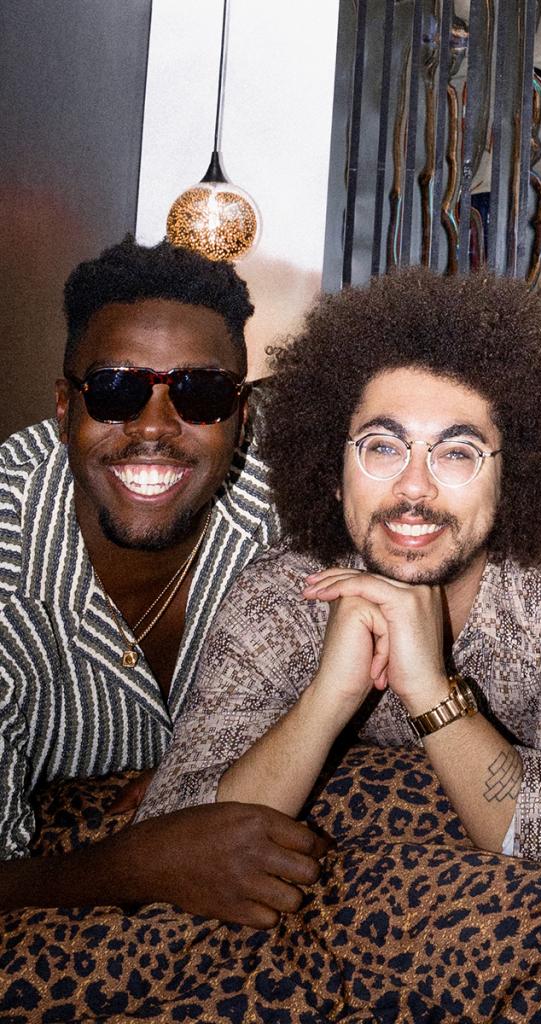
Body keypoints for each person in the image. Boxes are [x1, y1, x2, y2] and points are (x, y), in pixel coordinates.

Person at [136, 270, 541, 868]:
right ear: (334, 472)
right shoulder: (282, 595)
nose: (413, 486)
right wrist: (328, 698)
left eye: (457, 453)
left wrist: (430, 689)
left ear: (514, 479)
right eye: (383, 446)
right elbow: (168, 839)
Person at [0, 238, 326, 927]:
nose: (154, 427)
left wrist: (214, 752)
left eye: (199, 393)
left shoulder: (293, 498)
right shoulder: (9, 564)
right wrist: (139, 865)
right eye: (115, 390)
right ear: (65, 406)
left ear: (242, 414)